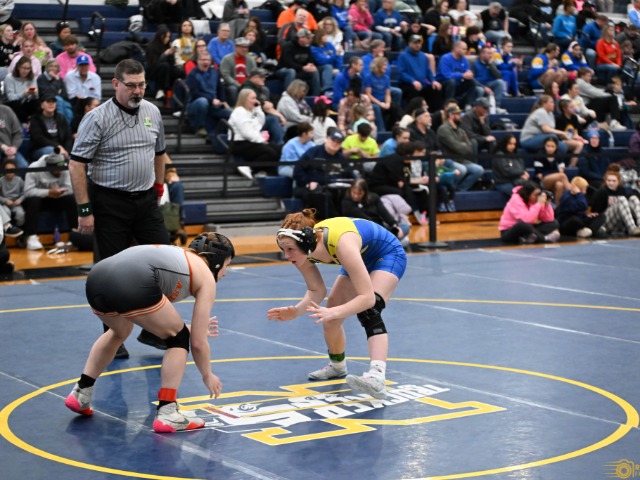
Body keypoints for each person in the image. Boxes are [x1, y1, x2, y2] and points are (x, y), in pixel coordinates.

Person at [65, 233, 234, 432]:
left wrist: (188, 328)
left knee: (119, 331)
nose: (226, 272)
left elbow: (151, 318)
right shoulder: (205, 276)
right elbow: (197, 342)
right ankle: (168, 412)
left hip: (97, 278)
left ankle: (81, 392)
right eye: (227, 265)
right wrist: (207, 374)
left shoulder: (178, 257)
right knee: (178, 339)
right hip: (131, 280)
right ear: (216, 262)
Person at [69, 59, 174, 359]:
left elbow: (160, 154)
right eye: (131, 85)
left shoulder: (152, 112)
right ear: (115, 84)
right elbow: (77, 165)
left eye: (141, 85)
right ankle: (113, 337)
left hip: (145, 200)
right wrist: (84, 210)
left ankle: (153, 330)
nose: (137, 91)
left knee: (166, 265)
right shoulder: (97, 118)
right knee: (110, 273)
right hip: (109, 202)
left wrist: (159, 187)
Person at [268, 208, 407, 399]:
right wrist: (296, 311)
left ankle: (377, 375)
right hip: (359, 256)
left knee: (370, 310)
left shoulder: (342, 243)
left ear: (307, 242)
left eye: (290, 249)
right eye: (283, 249)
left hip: (387, 253)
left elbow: (367, 298)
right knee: (330, 319)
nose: (286, 255)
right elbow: (317, 290)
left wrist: (334, 311)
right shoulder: (304, 250)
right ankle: (338, 365)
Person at [292, 127, 354, 218]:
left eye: (338, 142)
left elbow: (350, 176)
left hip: (335, 188)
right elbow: (297, 171)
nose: (335, 144)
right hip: (310, 187)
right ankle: (335, 220)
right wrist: (308, 183)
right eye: (333, 140)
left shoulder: (341, 158)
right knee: (322, 195)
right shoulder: (313, 153)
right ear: (327, 138)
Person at [22, 148, 77, 250]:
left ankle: (75, 235)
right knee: (33, 201)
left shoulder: (64, 168)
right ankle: (31, 237)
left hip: (57, 198)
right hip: (41, 200)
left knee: (71, 199)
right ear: (49, 168)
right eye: (57, 170)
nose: (60, 172)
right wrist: (48, 192)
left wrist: (58, 192)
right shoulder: (34, 167)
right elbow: (28, 192)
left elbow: (70, 189)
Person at [228, 88, 280, 179]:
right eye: (253, 98)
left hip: (250, 141)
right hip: (239, 143)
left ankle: (261, 171)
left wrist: (258, 109)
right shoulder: (239, 111)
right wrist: (261, 140)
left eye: (256, 98)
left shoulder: (251, 111)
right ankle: (249, 168)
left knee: (278, 149)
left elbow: (259, 125)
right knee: (270, 153)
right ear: (245, 99)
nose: (256, 101)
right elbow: (247, 133)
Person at [341, 178, 408, 246]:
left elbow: (384, 213)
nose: (356, 196)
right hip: (364, 232)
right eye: (354, 193)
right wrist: (382, 231)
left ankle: (388, 244)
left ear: (365, 192)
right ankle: (390, 244)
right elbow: (366, 220)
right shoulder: (347, 203)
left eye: (359, 194)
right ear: (350, 190)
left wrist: (394, 225)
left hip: (380, 228)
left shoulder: (374, 197)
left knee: (404, 227)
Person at [436, 104, 484, 191]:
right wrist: (464, 145)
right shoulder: (443, 129)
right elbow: (455, 146)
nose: (460, 116)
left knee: (479, 170)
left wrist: (463, 146)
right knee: (462, 169)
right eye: (457, 114)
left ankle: (460, 190)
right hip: (449, 160)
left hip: (462, 160)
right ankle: (450, 189)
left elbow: (470, 148)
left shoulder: (460, 130)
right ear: (451, 115)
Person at [186, 50, 232, 139]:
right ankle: (200, 127)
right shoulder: (192, 75)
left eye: (208, 60)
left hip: (214, 105)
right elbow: (195, 93)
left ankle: (220, 134)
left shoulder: (215, 72)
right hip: (195, 104)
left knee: (230, 113)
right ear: (198, 61)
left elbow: (220, 89)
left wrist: (224, 101)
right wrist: (211, 99)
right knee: (203, 102)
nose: (205, 62)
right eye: (203, 60)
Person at [590, 163, 640, 236]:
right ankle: (632, 228)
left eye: (614, 181)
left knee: (633, 198)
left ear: (618, 182)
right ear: (605, 181)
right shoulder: (601, 191)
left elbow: (627, 208)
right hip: (605, 222)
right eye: (609, 180)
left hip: (620, 221)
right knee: (621, 199)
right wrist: (589, 213)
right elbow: (591, 208)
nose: (611, 183)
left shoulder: (621, 190)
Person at [436, 41, 481, 110]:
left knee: (472, 82)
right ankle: (449, 105)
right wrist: (462, 75)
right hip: (444, 83)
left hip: (458, 83)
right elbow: (446, 75)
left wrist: (469, 74)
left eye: (466, 49)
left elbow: (467, 70)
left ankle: (468, 105)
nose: (466, 51)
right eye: (464, 49)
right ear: (456, 49)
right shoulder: (445, 58)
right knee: (451, 82)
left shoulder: (464, 60)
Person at [28, 96, 74, 162]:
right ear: (42, 105)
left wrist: (67, 151)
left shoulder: (61, 118)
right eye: (48, 101)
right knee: (52, 151)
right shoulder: (35, 119)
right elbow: (38, 138)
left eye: (53, 102)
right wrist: (57, 146)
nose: (51, 104)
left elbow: (68, 136)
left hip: (61, 150)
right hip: (40, 149)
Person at [145, 26, 183, 101]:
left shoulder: (168, 46)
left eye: (169, 37)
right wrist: (165, 54)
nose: (167, 39)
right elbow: (153, 63)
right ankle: (161, 90)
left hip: (166, 69)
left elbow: (171, 63)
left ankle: (178, 93)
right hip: (153, 70)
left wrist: (171, 54)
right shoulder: (151, 46)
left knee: (178, 71)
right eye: (166, 37)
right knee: (165, 66)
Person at [534, 136, 572, 205]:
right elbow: (539, 174)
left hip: (556, 179)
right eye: (548, 146)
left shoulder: (558, 155)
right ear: (544, 146)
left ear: (556, 147)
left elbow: (561, 170)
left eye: (552, 146)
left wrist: (555, 178)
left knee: (560, 185)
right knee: (562, 176)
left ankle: (557, 207)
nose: (550, 148)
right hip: (544, 180)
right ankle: (572, 192)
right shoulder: (539, 155)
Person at [220, 36, 257, 106]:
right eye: (242, 47)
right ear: (236, 47)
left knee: (264, 89)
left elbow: (254, 74)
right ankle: (235, 107)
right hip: (233, 84)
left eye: (246, 47)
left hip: (248, 84)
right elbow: (226, 75)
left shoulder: (251, 60)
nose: (245, 49)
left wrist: (250, 84)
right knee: (232, 89)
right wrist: (238, 84)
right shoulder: (227, 59)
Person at [37, 58, 73, 125]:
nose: (53, 68)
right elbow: (47, 92)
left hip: (61, 101)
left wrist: (57, 81)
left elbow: (64, 93)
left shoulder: (59, 78)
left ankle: (66, 128)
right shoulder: (42, 78)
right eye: (51, 66)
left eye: (55, 66)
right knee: (58, 100)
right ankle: (59, 125)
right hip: (47, 101)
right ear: (47, 67)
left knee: (69, 113)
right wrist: (56, 81)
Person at [4, 56, 39, 123]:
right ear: (18, 67)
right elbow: (11, 98)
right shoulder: (10, 78)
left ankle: (34, 123)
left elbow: (36, 96)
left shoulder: (32, 78)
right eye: (24, 68)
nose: (26, 71)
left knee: (37, 103)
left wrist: (34, 93)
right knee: (16, 104)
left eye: (28, 68)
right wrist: (24, 93)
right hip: (13, 104)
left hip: (26, 102)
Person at [0, 104, 26, 169]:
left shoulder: (7, 110)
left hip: (9, 150)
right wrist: (2, 146)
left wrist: (14, 147)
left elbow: (18, 133)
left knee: (23, 167)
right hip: (3, 148)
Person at [0, 159, 25, 227]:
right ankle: (7, 229)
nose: (10, 172)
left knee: (21, 214)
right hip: (4, 204)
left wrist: (20, 200)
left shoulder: (19, 180)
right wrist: (5, 200)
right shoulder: (1, 181)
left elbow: (24, 193)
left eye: (12, 169)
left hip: (16, 203)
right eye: (7, 170)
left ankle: (19, 229)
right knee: (6, 213)